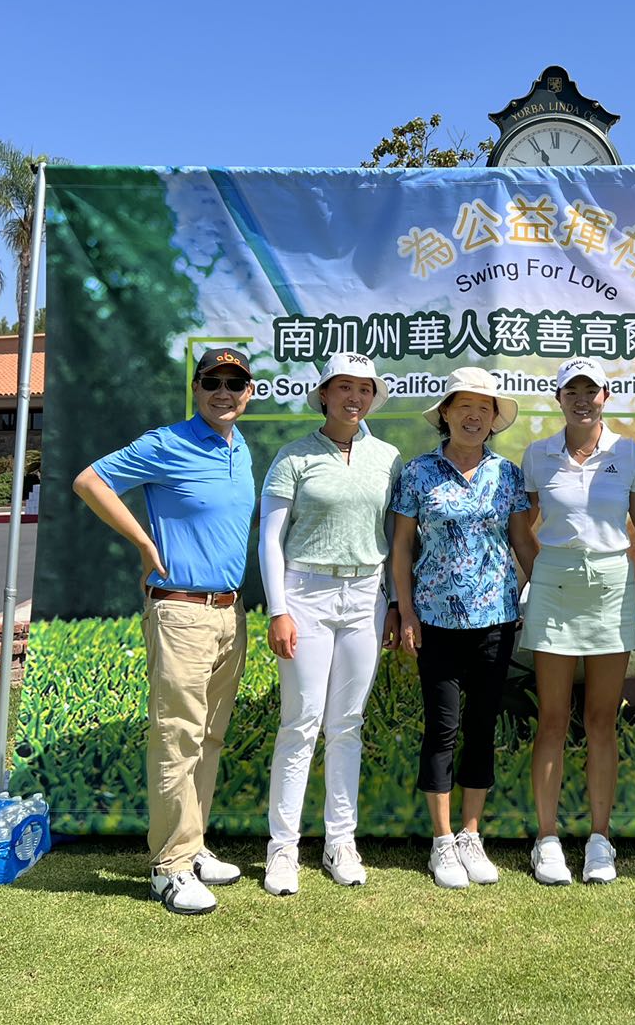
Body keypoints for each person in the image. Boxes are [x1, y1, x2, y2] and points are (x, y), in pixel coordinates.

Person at [71, 347, 257, 916]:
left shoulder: (239, 446)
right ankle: (169, 868)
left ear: (249, 392)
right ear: (196, 387)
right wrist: (144, 542)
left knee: (210, 736)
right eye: (212, 383)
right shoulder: (168, 442)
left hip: (229, 613)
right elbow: (89, 481)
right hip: (181, 611)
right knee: (178, 737)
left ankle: (193, 847)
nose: (223, 392)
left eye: (235, 383)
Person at [257, 352, 403, 896]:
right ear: (323, 394)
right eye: (343, 387)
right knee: (300, 722)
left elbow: (392, 540)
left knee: (347, 724)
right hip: (306, 592)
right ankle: (283, 849)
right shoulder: (293, 457)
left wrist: (389, 602)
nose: (354, 398)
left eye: (364, 389)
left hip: (365, 593)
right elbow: (271, 539)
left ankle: (341, 841)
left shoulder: (388, 458)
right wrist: (279, 608)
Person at [391, 366, 537, 889]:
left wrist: (549, 593)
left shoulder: (508, 475)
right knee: (443, 727)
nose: (475, 416)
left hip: (496, 620)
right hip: (434, 621)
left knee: (481, 728)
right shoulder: (417, 473)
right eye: (464, 406)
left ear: (494, 420)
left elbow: (522, 544)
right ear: (446, 414)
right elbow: (402, 549)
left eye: (485, 408)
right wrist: (405, 611)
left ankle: (471, 834)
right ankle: (442, 841)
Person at [519, 356, 635, 886]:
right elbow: (519, 525)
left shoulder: (627, 453)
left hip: (609, 585)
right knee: (552, 719)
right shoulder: (537, 455)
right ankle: (547, 839)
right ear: (559, 399)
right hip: (554, 585)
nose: (581, 399)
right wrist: (538, 573)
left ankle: (600, 841)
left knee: (601, 718)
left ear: (606, 395)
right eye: (571, 391)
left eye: (590, 390)